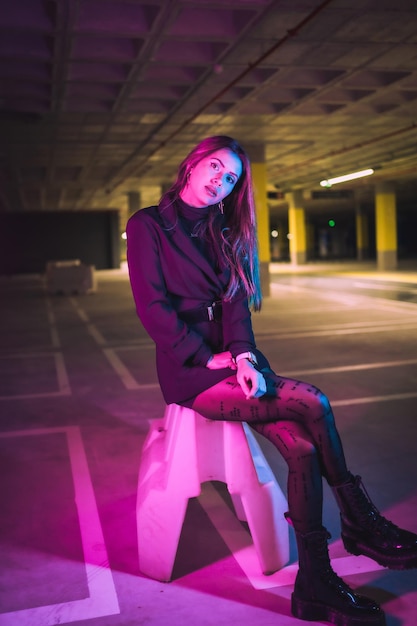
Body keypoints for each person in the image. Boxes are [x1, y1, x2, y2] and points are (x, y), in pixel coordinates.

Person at [126, 135, 417, 626]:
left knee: (302, 450)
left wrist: (242, 356)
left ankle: (315, 582)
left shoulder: (228, 229)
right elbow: (152, 309)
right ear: (193, 164)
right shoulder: (149, 224)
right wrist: (209, 356)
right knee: (313, 401)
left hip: (235, 359)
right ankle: (358, 519)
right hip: (189, 369)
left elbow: (238, 303)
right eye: (215, 167)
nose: (220, 180)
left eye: (231, 177)